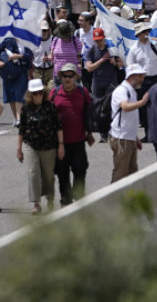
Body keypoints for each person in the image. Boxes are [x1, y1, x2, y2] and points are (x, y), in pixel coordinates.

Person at [16, 79, 63, 215]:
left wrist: (61, 145)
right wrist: (19, 149)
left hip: (49, 146)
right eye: (35, 93)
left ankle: (50, 199)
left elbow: (58, 127)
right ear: (30, 95)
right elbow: (22, 130)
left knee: (49, 176)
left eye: (40, 93)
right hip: (31, 145)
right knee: (33, 173)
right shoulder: (25, 109)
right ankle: (36, 203)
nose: (38, 96)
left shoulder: (50, 107)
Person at [50, 64, 93, 206]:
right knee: (62, 172)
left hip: (79, 139)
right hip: (60, 142)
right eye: (65, 76)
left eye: (70, 76)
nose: (68, 79)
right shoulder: (55, 94)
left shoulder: (82, 92)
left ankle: (78, 194)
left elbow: (89, 112)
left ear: (75, 77)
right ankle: (66, 200)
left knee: (80, 168)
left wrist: (90, 132)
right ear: (60, 77)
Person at [109, 65, 149, 183]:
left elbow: (130, 117)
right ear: (133, 76)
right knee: (120, 174)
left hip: (129, 137)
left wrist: (135, 137)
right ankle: (113, 198)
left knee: (132, 173)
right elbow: (125, 107)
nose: (142, 79)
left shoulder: (131, 90)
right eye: (140, 76)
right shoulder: (122, 90)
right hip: (122, 138)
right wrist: (142, 102)